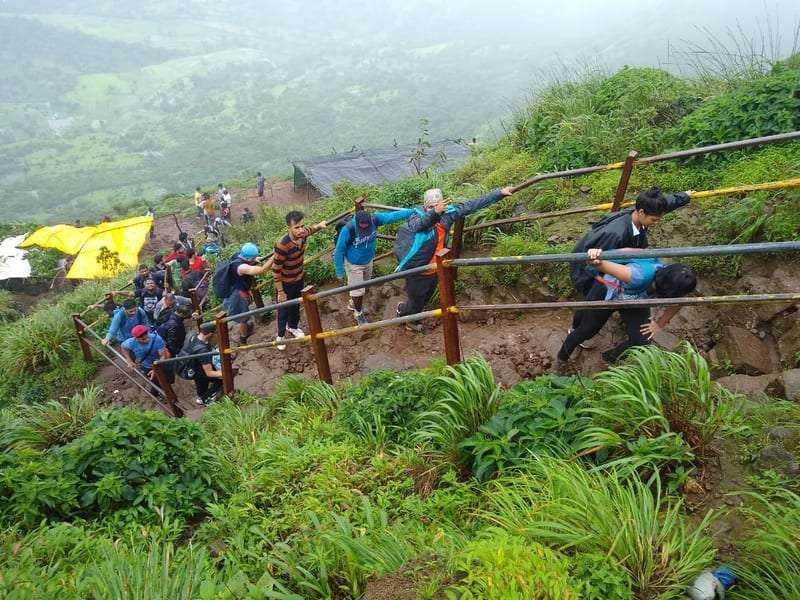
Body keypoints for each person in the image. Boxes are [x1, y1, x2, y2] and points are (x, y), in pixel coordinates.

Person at [568, 186, 691, 341]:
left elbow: (664, 204)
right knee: (590, 299)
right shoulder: (615, 234)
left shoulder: (641, 212)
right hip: (588, 270)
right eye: (654, 220)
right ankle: (575, 328)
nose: (656, 223)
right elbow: (593, 262)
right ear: (641, 212)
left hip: (616, 265)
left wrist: (683, 196)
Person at [556, 248, 697, 370]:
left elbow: (679, 301)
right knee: (585, 331)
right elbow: (598, 264)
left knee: (641, 339)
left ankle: (609, 358)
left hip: (635, 301)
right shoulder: (637, 275)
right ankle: (562, 358)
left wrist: (659, 324)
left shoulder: (674, 286)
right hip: (608, 291)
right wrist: (594, 255)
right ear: (667, 288)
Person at [394, 186, 514, 323]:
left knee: (426, 297)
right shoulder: (416, 216)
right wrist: (435, 212)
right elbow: (420, 225)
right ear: (425, 206)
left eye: (438, 206)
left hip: (435, 266)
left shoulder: (447, 214)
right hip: (416, 269)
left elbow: (471, 205)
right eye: (431, 206)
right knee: (416, 301)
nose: (435, 209)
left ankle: (414, 315)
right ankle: (402, 312)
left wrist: (498, 193)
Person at [334, 205, 414, 325]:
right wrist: (339, 271)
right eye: (362, 228)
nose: (365, 229)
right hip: (353, 264)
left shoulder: (375, 219)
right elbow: (339, 250)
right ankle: (358, 313)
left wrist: (411, 211)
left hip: (368, 260)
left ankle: (353, 304)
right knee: (358, 291)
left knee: (365, 286)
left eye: (367, 227)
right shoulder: (348, 229)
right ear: (357, 223)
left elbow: (392, 216)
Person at [272, 211, 327, 349]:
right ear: (289, 228)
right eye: (296, 227)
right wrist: (281, 291)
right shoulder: (282, 245)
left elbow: (310, 229)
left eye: (302, 226)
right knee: (283, 308)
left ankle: (293, 327)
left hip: (298, 278)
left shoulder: (303, 234)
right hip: (285, 282)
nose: (301, 229)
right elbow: (276, 270)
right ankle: (280, 336)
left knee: (296, 305)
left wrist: (320, 225)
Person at [224, 242, 272, 344]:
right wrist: (275, 256)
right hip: (238, 295)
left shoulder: (237, 255)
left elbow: (248, 260)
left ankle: (244, 332)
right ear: (248, 258)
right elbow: (263, 269)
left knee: (244, 314)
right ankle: (243, 337)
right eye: (253, 258)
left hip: (236, 290)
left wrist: (255, 259)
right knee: (243, 317)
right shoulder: (241, 267)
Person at [181, 322, 223, 405]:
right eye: (215, 333)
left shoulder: (193, 335)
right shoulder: (202, 351)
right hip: (197, 369)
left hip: (191, 366)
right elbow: (209, 372)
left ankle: (202, 396)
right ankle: (204, 399)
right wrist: (226, 373)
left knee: (201, 382)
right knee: (220, 381)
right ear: (210, 334)